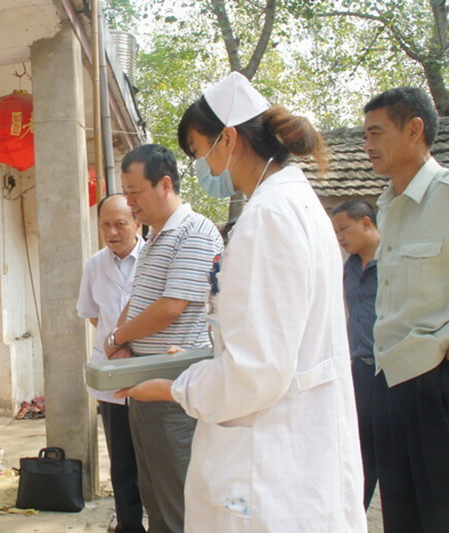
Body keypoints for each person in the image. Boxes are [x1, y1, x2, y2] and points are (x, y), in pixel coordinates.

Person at [117, 72, 365, 531]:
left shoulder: (267, 218)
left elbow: (256, 372)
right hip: (294, 438)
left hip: (268, 456)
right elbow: (270, 337)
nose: (205, 169)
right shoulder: (296, 203)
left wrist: (174, 387)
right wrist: (204, 357)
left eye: (200, 152)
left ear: (228, 139)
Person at [104, 144, 223, 532]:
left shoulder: (194, 232)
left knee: (177, 498)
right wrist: (119, 341)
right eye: (126, 192)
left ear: (166, 184)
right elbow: (139, 298)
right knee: (153, 491)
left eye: (135, 192)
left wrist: (117, 336)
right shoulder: (155, 237)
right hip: (144, 379)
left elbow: (171, 306)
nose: (130, 202)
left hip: (174, 383)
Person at [362, 87, 449, 532]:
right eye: (365, 135)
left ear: (415, 130)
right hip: (389, 378)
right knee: (401, 516)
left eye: (376, 132)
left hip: (435, 382)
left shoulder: (445, 197)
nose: (367, 145)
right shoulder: (387, 205)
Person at [76, 193, 145, 533]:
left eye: (120, 224)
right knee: (121, 460)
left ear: (137, 223)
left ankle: (162, 522)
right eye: (105, 224)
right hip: (112, 374)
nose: (112, 232)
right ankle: (129, 526)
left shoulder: (153, 258)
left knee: (154, 458)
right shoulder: (94, 265)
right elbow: (92, 314)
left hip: (149, 370)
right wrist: (114, 342)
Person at [331, 200, 380, 509]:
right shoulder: (348, 268)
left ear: (366, 223)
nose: (339, 237)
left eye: (343, 229)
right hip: (359, 369)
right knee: (360, 455)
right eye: (335, 232)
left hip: (391, 369)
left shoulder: (393, 261)